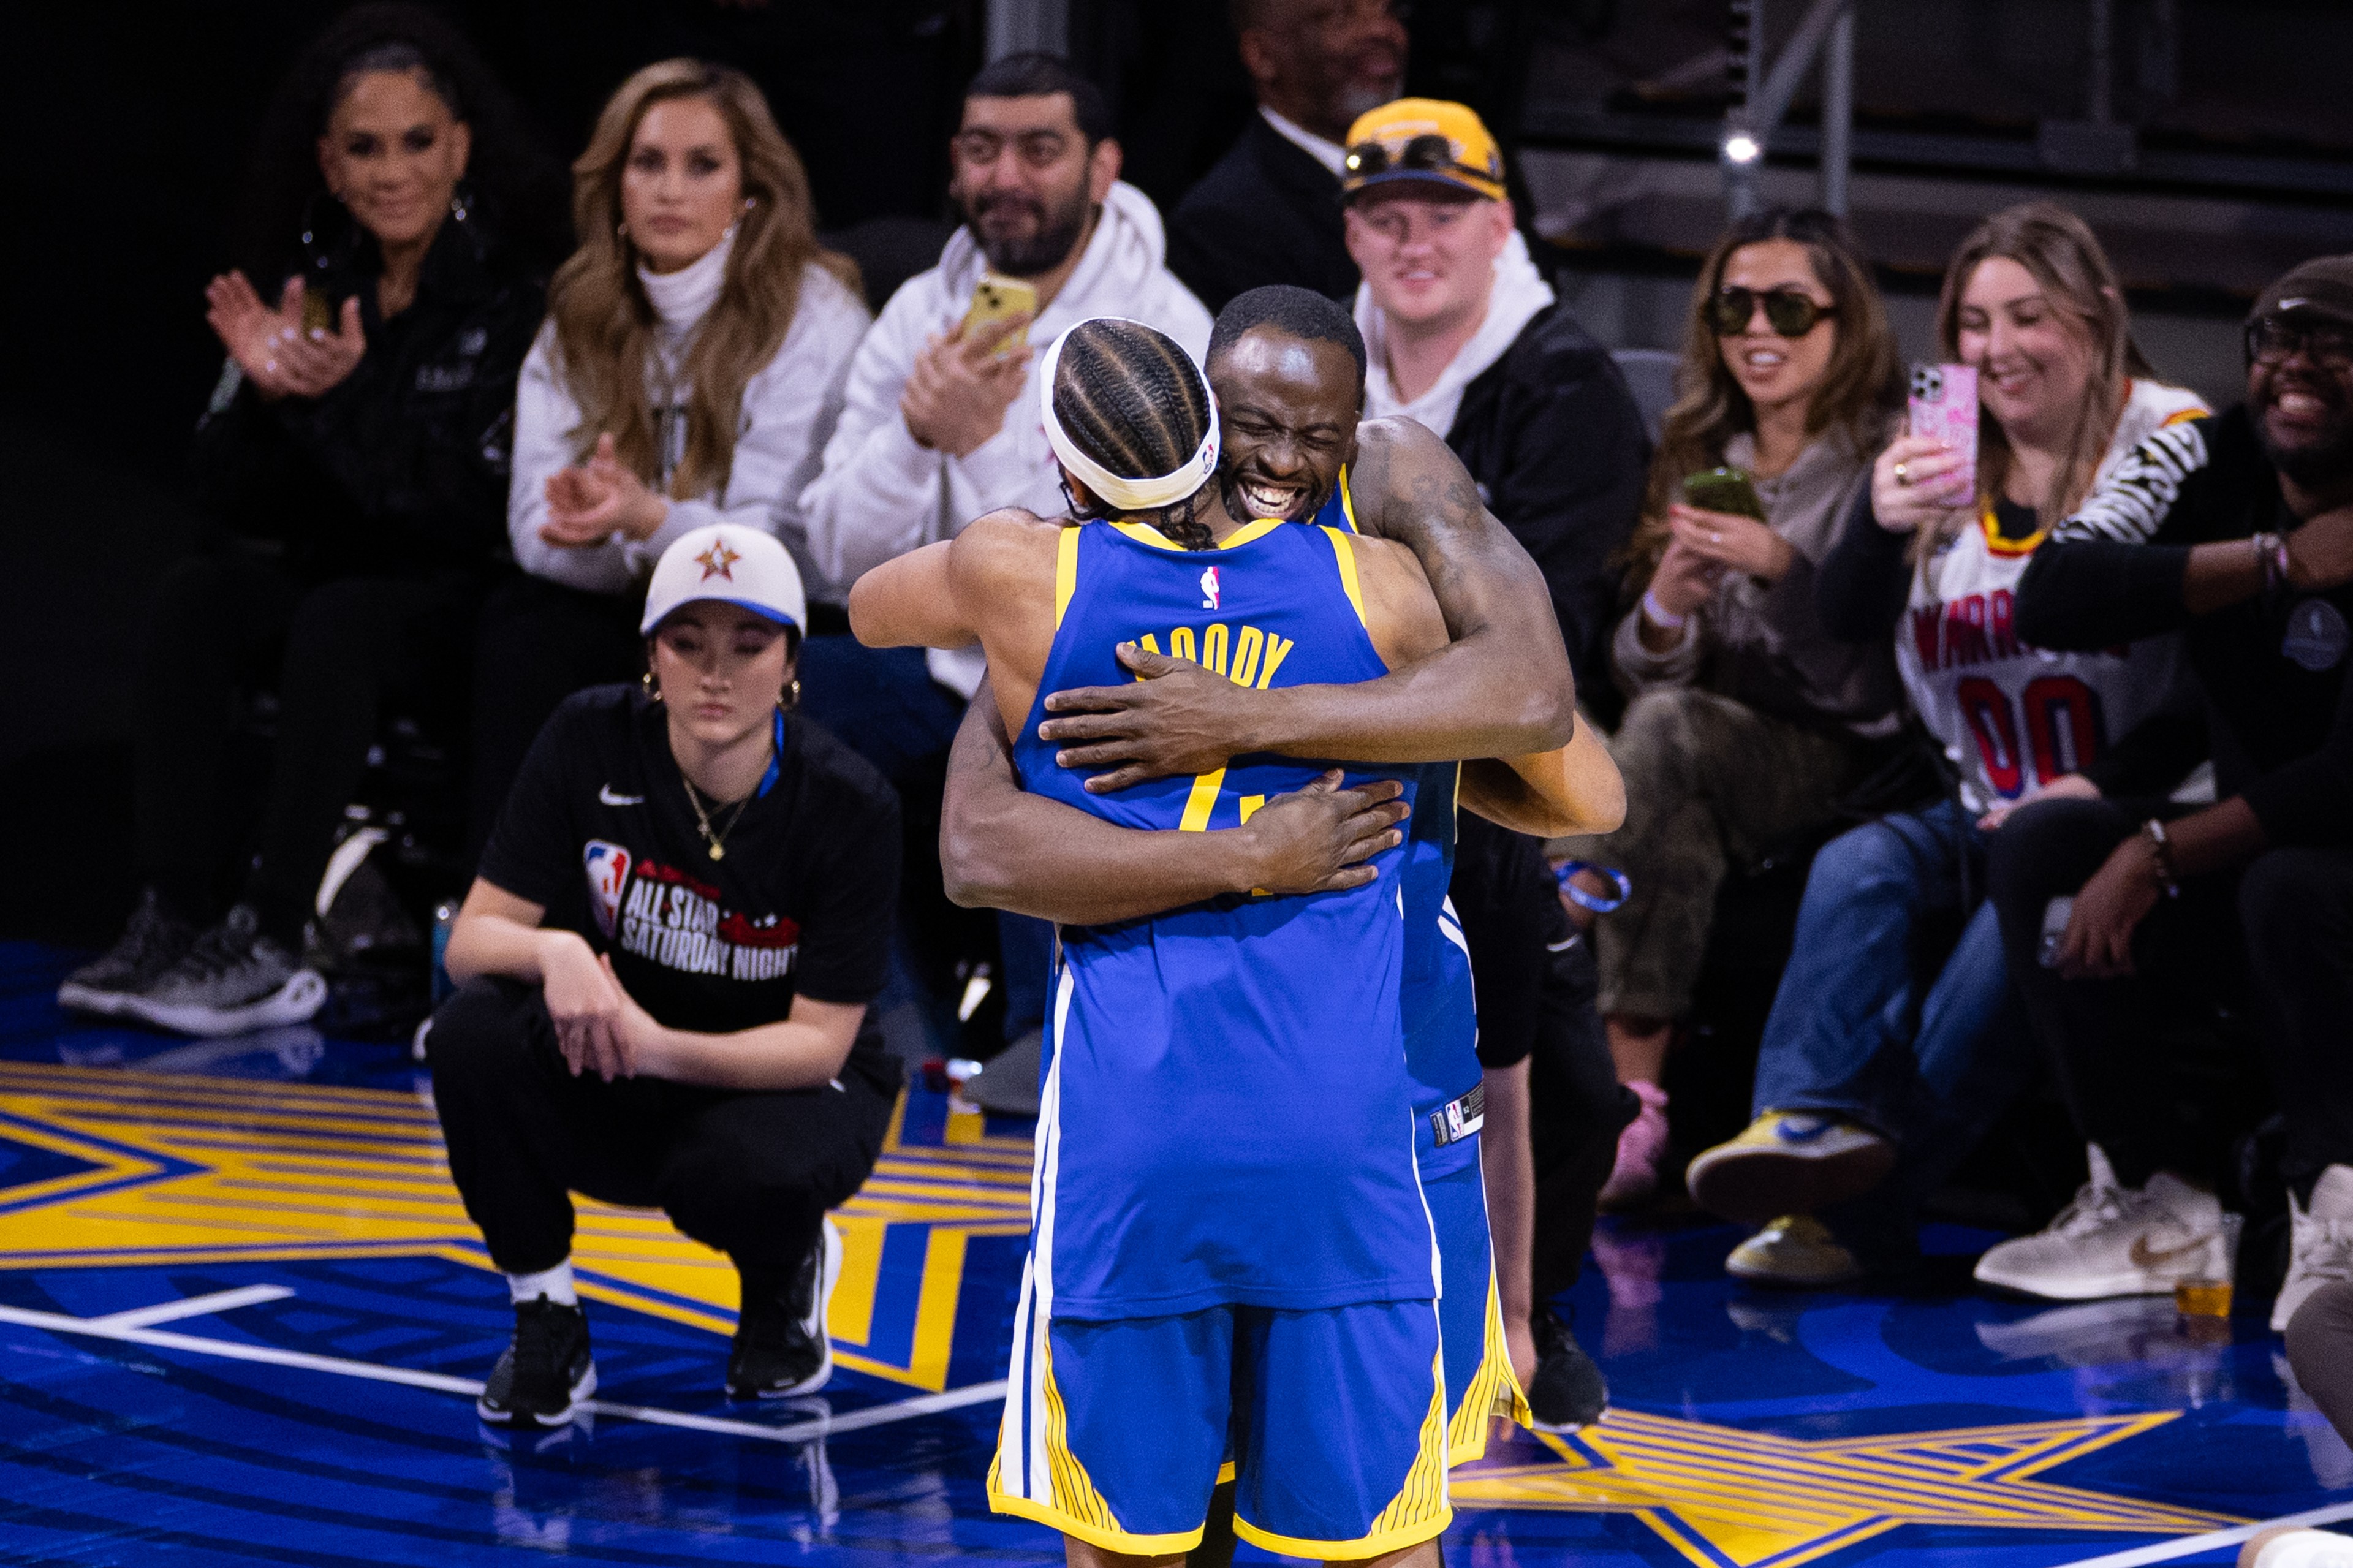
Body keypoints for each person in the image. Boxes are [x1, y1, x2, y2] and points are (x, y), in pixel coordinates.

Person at [849, 316, 1544, 1563]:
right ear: (1219, 439)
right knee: (1380, 1543)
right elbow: (1558, 747)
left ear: (1066, 472)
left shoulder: (1019, 576)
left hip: (1139, 1141)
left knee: (1126, 1542)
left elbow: (864, 608)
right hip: (1341, 1139)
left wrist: (1038, 598)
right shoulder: (1378, 588)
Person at [1681, 204, 2209, 1285]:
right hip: (1982, 795)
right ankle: (1803, 1125)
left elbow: (2213, 684)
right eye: (1972, 322)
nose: (1995, 348)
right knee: (1859, 860)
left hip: (2131, 802)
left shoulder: (2171, 437)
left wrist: (2086, 785)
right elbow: (1847, 618)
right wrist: (1876, 520)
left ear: (2100, 314)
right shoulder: (1940, 450)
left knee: (2003, 935)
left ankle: (1858, 1209)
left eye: (2029, 316)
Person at [58, 4, 564, 1036]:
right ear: (329, 166)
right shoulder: (313, 289)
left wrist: (338, 407)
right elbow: (222, 499)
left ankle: (273, 932)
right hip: (335, 575)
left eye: (417, 142)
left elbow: (460, 507)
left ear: (461, 147)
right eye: (365, 150)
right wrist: (268, 402)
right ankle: (171, 909)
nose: (392, 172)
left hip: (460, 596)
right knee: (199, 593)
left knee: (344, 615)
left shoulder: (516, 296)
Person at [428, 522, 900, 1425]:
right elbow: (472, 941)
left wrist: (657, 1049)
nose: (715, 673)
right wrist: (558, 950)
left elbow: (818, 1042)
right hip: (626, 1047)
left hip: (782, 1081)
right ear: (652, 655)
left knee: (742, 1173)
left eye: (748, 644)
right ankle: (545, 1314)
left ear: (792, 662)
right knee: (471, 1033)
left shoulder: (850, 804)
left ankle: (781, 1278)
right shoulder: (589, 736)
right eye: (688, 643)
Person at [798, 51, 1210, 1064]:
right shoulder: (919, 315)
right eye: (983, 149)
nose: (1007, 177)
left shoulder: (1162, 325)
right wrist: (915, 437)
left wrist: (979, 468)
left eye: (1040, 149)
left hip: (1106, 669)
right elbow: (834, 559)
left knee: (1058, 697)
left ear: (1103, 167)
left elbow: (1145, 568)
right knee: (787, 701)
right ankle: (891, 1018)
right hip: (941, 668)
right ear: (953, 165)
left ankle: (1052, 1032)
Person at [1979, 254, 2353, 1328]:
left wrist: (2156, 851)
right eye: (2275, 342)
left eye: (2332, 341)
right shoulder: (2205, 448)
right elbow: (2053, 592)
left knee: (2291, 882)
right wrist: (2275, 563)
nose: (2295, 366)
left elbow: (2347, 778)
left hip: (2325, 872)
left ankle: (2341, 1211)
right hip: (2260, 865)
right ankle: (2157, 1200)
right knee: (2044, 844)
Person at [1339, 95, 1648, 1397]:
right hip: (1337, 737)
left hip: (1507, 764)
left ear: (1499, 221)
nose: (1414, 242)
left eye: (1443, 214)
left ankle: (1530, 1314)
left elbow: (1540, 646)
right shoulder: (1306, 363)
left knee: (1559, 1082)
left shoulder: (1571, 386)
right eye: (1383, 217)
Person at [1556, 206, 1906, 1207]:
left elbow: (1874, 678)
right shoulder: (1699, 445)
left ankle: (1623, 1066)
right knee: (1590, 737)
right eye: (1735, 306)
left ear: (1847, 324)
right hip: (1704, 747)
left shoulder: (1889, 459)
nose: (1760, 329)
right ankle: (1617, 1095)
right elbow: (1641, 668)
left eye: (1792, 307)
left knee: (1662, 740)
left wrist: (1783, 572)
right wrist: (1669, 601)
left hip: (1840, 751)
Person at [469, 58, 870, 855]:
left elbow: (777, 551)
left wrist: (645, 519)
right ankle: (505, 923)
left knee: (701, 651)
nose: (670, 191)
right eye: (647, 163)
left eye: (703, 165)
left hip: (774, 605)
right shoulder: (580, 311)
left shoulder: (816, 314)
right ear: (614, 183)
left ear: (749, 191)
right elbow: (532, 527)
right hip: (636, 588)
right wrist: (621, 538)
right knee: (523, 633)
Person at [1165, 0, 1407, 312]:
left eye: (1391, 11)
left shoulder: (1444, 169)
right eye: (1340, 17)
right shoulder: (1221, 227)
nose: (1381, 30)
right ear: (1262, 55)